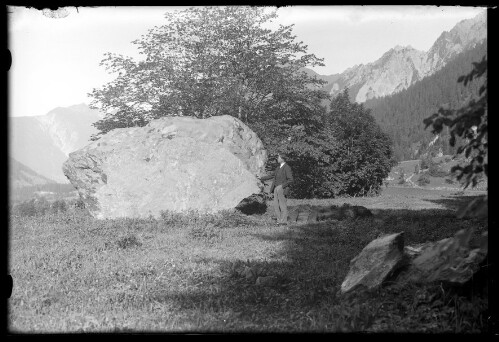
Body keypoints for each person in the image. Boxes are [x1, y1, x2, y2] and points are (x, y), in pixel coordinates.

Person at [259, 153, 293, 225]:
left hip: (282, 189)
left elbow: (290, 180)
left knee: (282, 205)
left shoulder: (287, 168)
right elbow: (271, 176)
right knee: (276, 205)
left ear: (282, 159)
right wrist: (261, 178)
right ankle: (279, 221)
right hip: (276, 188)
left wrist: (282, 186)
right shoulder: (278, 168)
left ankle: (283, 222)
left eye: (278, 157)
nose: (277, 159)